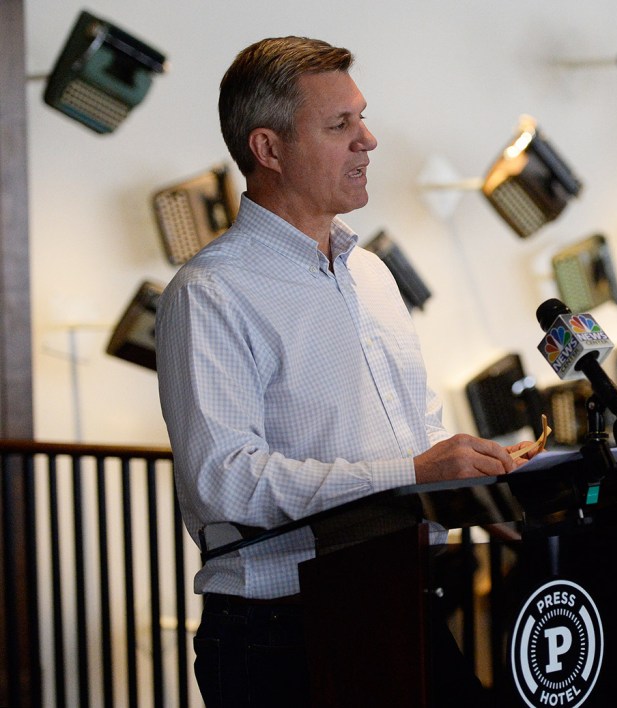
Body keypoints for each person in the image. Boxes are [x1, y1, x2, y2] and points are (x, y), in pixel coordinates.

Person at [155, 35, 539, 707]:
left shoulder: (374, 273)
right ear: (268, 150)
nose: (370, 140)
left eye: (361, 117)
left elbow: (414, 437)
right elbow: (225, 481)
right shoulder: (209, 292)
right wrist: (412, 474)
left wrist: (483, 482)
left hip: (401, 601)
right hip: (280, 633)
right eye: (341, 125)